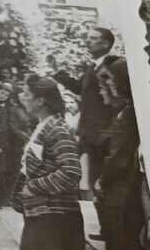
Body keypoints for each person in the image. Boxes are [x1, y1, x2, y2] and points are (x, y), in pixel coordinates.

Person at [12, 75, 95, 250]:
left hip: (56, 222)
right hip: (43, 218)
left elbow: (71, 172)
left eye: (26, 94)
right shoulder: (43, 126)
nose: (21, 98)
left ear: (40, 100)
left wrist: (33, 187)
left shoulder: (57, 128)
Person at [95, 58, 146, 250]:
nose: (104, 89)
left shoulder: (128, 117)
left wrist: (101, 182)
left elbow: (116, 159)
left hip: (122, 195)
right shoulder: (125, 113)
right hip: (121, 193)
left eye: (108, 83)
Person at [52, 27, 121, 202]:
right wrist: (58, 73)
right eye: (87, 38)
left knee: (101, 182)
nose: (87, 41)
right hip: (89, 133)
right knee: (91, 181)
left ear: (105, 43)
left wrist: (106, 132)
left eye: (92, 38)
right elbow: (80, 89)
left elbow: (117, 101)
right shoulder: (93, 67)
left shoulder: (114, 66)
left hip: (102, 135)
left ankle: (108, 225)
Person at [0, 83, 31, 207]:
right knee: (12, 171)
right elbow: (13, 127)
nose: (24, 97)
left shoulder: (29, 108)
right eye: (21, 95)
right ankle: (6, 198)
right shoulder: (13, 109)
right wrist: (27, 137)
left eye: (26, 95)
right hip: (15, 144)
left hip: (29, 143)